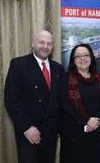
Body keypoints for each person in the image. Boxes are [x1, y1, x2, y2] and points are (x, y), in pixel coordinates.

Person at [4, 30, 64, 163]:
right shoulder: (19, 64)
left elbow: (59, 101)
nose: (45, 46)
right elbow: (10, 99)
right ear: (32, 44)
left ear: (53, 46)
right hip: (29, 132)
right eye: (41, 42)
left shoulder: (58, 69)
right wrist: (26, 127)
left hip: (51, 132)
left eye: (49, 43)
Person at [58, 43, 100, 163]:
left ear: (91, 58)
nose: (83, 59)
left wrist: (96, 119)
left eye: (86, 55)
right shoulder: (66, 78)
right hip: (73, 132)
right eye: (78, 56)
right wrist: (87, 120)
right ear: (73, 60)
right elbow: (65, 104)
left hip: (95, 131)